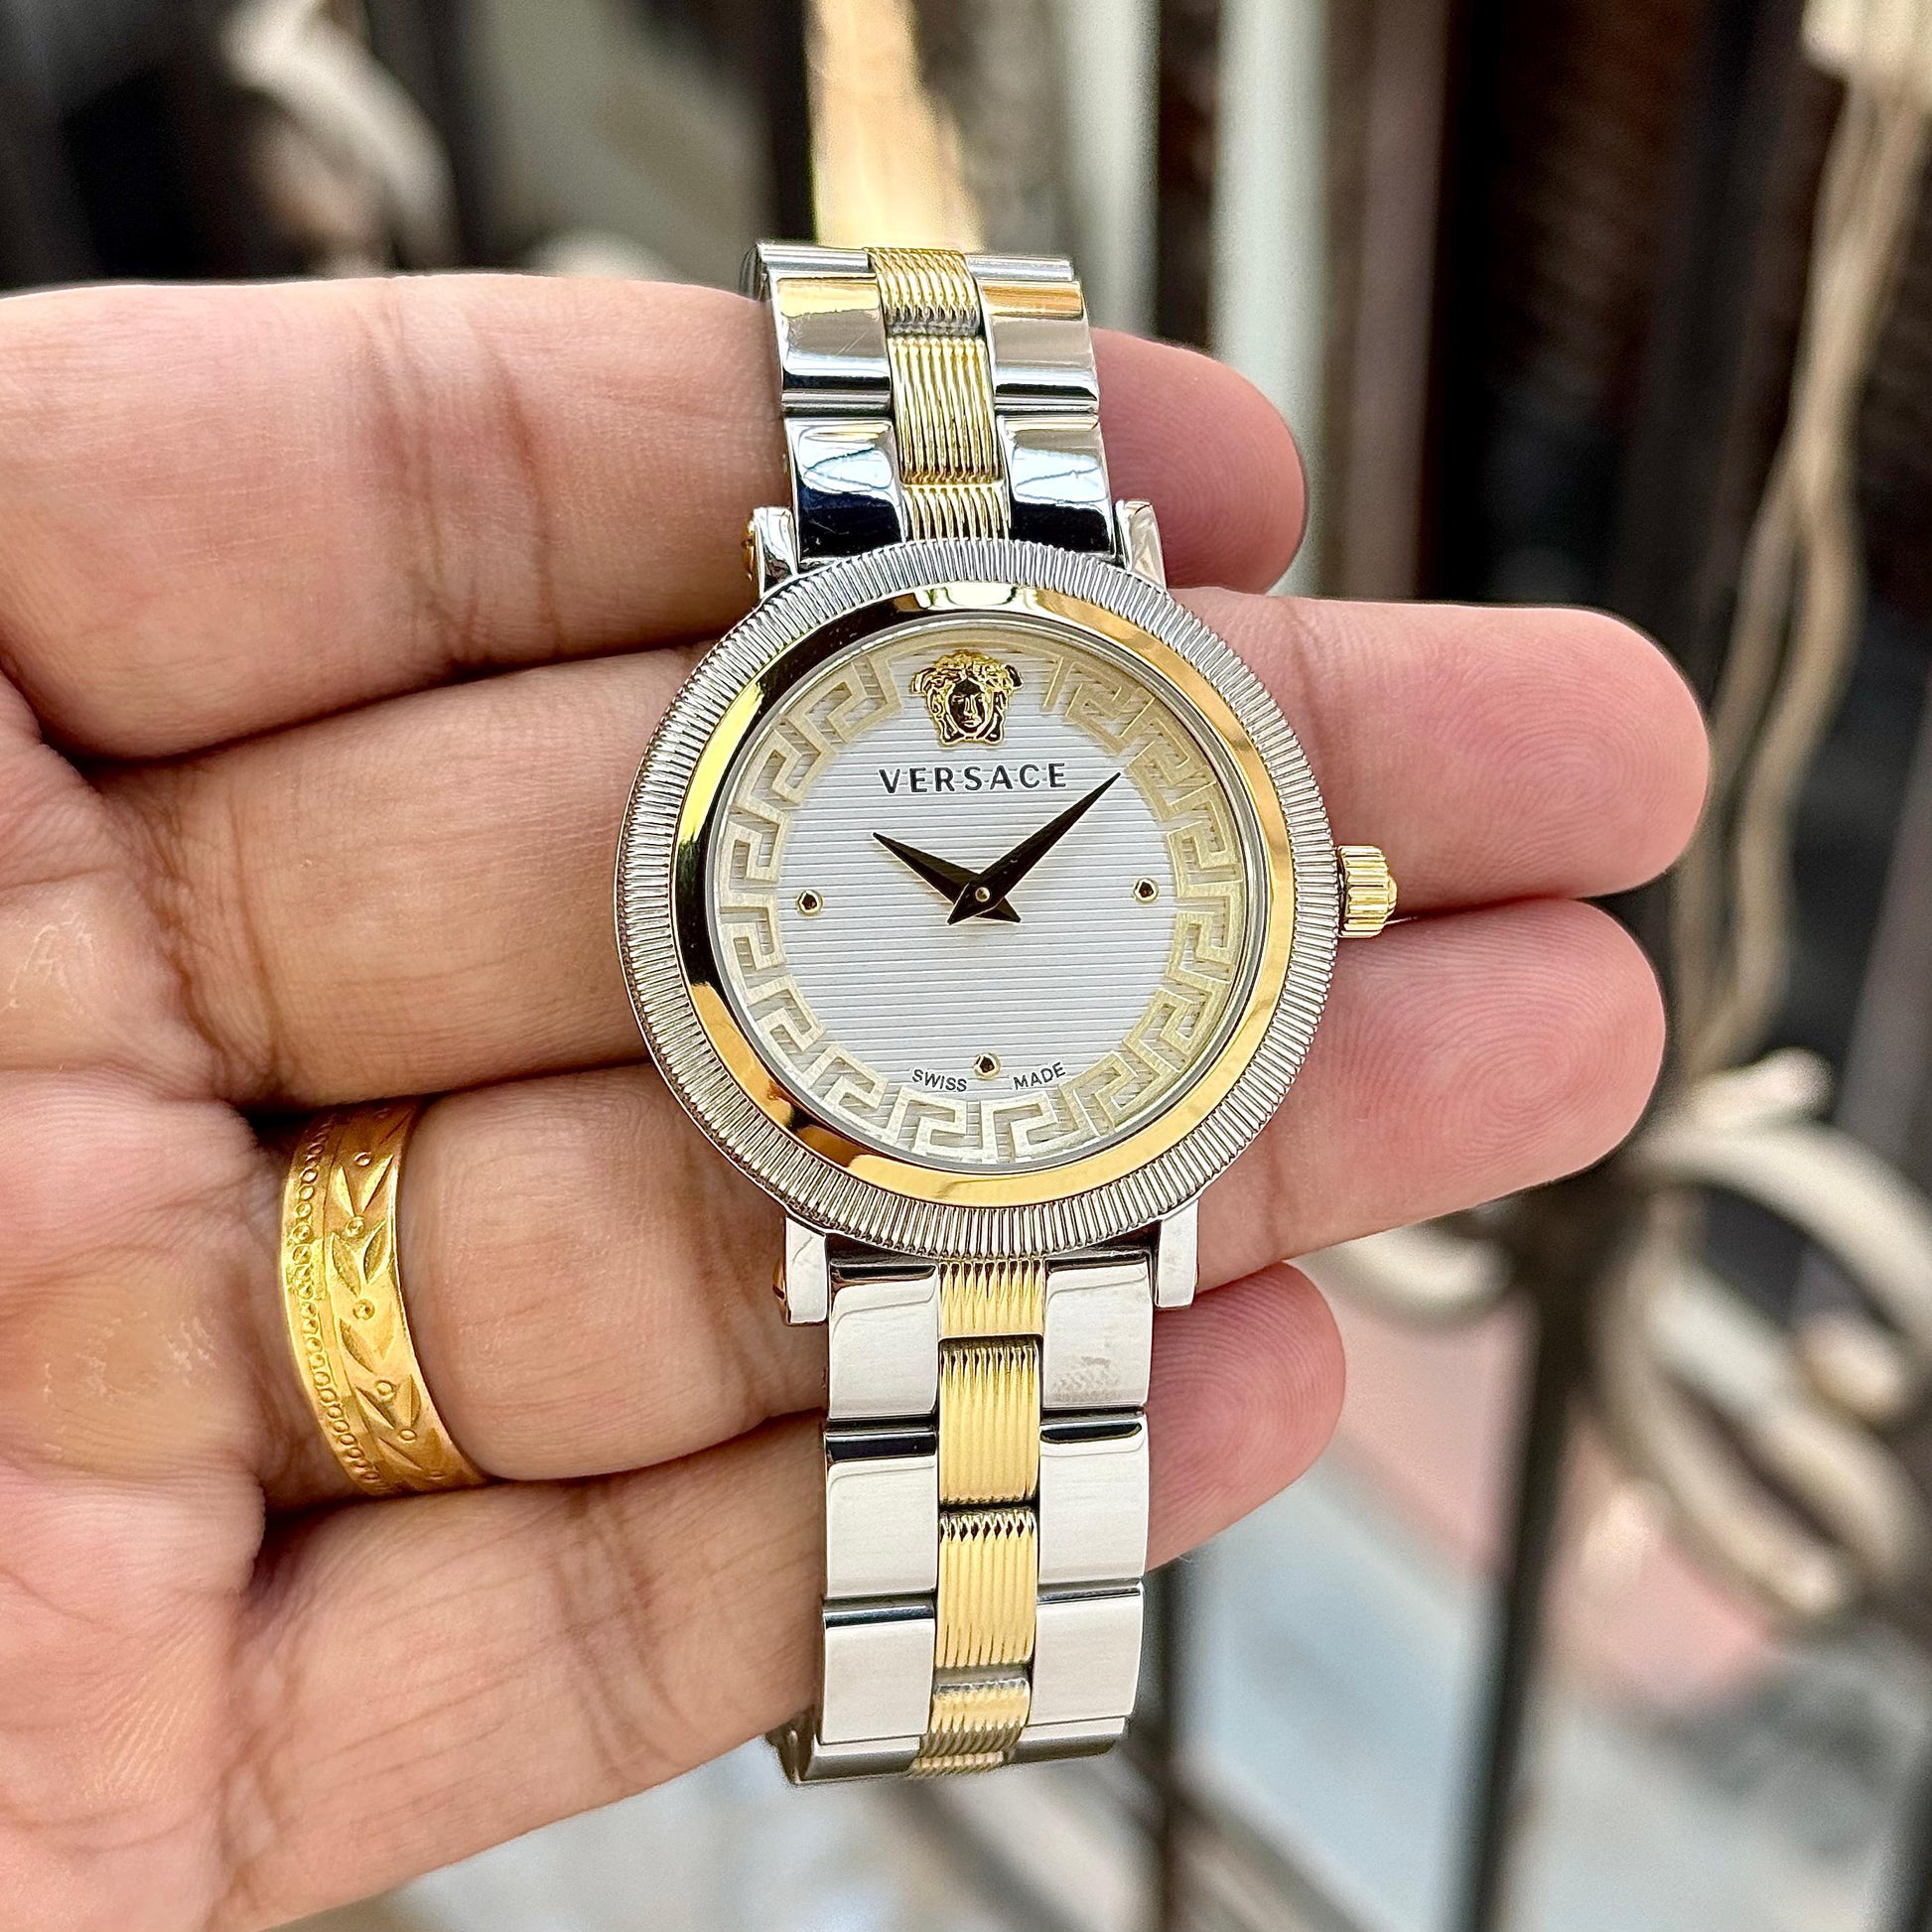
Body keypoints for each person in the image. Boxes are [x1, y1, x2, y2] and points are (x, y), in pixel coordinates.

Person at [0, 271, 1707, 1928]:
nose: (981, 897)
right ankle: (957, 1682)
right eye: (963, 883)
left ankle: (963, 1680)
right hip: (908, 1144)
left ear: (1322, 891)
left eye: (996, 879)